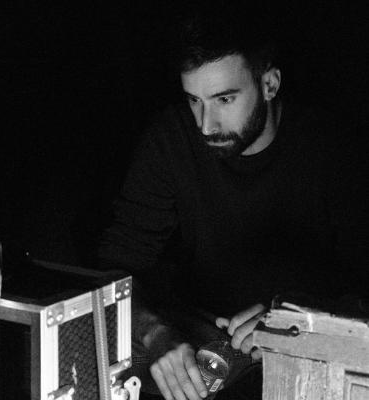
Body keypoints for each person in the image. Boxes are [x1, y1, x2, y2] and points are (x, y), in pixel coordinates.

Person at [97, 4, 369, 400]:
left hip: (309, 356)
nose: (206, 125)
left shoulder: (332, 150)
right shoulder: (171, 139)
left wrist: (293, 322)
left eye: (224, 99)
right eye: (195, 101)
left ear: (269, 84)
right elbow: (115, 268)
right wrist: (154, 333)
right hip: (201, 348)